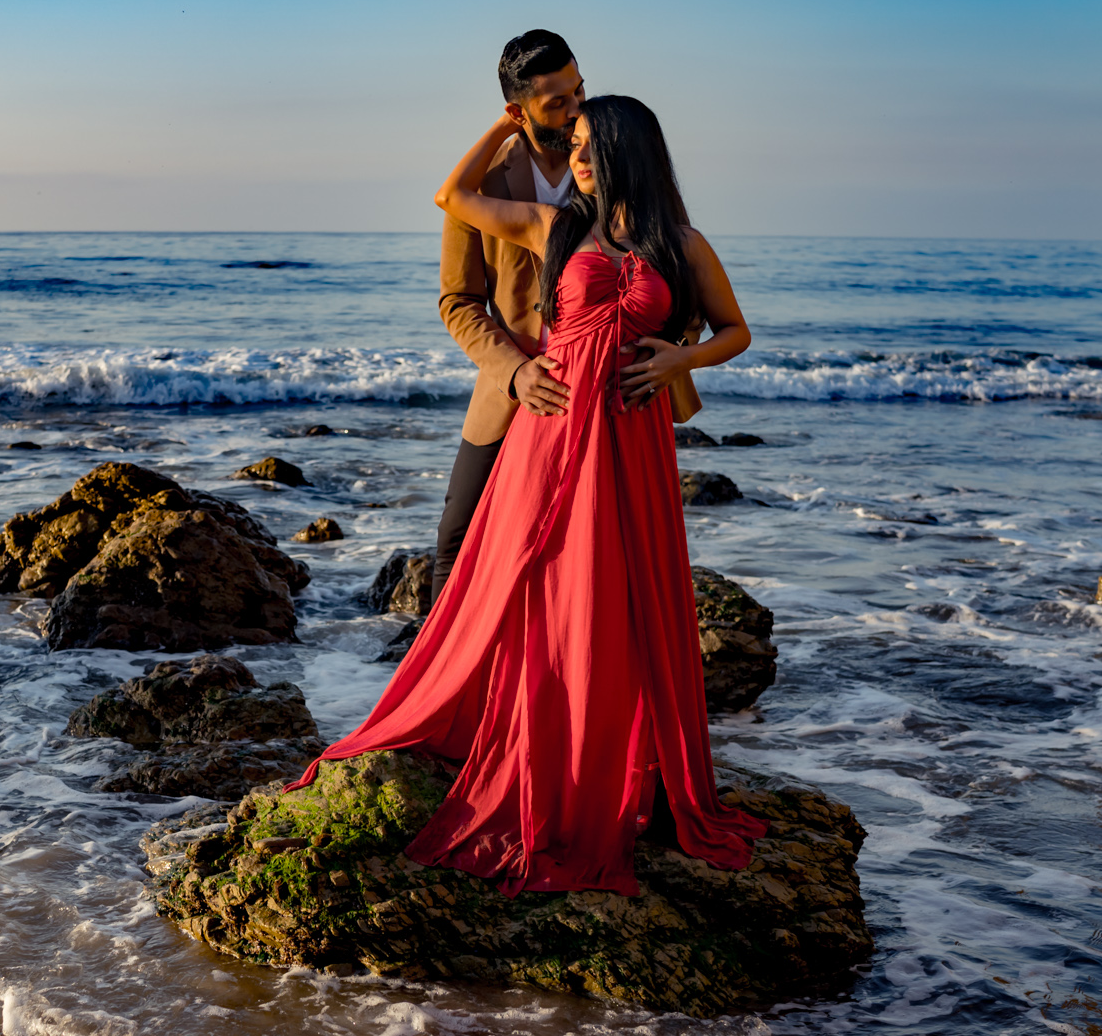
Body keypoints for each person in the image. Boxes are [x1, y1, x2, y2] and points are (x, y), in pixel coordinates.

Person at [288, 95, 765, 890]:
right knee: (535, 584)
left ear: (628, 151)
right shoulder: (558, 229)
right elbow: (454, 196)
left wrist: (680, 361)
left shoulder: (681, 243)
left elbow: (735, 329)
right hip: (550, 431)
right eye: (569, 143)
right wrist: (511, 126)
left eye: (589, 145)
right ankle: (526, 737)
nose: (575, 157)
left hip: (633, 440)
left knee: (618, 596)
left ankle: (616, 762)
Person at [433, 30, 702, 598]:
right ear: (518, 109)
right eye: (557, 101)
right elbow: (458, 301)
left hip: (617, 397)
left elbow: (678, 273)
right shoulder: (483, 183)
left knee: (607, 559)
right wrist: (514, 370)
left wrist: (674, 354)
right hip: (518, 388)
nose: (576, 108)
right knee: (459, 543)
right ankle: (443, 680)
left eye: (579, 90)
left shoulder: (626, 168)